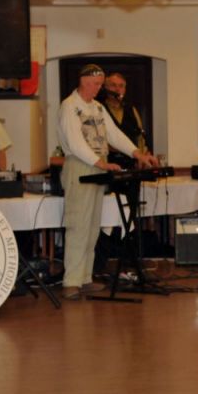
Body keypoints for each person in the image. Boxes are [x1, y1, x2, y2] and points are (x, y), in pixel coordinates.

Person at [57, 64, 158, 301]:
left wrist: (137, 153)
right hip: (80, 167)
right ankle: (71, 282)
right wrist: (101, 163)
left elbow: (114, 135)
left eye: (100, 84)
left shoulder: (98, 107)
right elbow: (75, 143)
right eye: (95, 84)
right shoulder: (69, 106)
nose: (98, 88)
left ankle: (85, 278)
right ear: (83, 81)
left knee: (92, 227)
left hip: (97, 167)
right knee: (78, 225)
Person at [98, 71, 154, 169]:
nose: (117, 89)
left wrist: (142, 156)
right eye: (113, 85)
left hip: (131, 164)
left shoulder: (131, 109)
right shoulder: (98, 109)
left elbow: (140, 136)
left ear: (125, 89)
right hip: (108, 164)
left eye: (121, 86)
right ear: (105, 88)